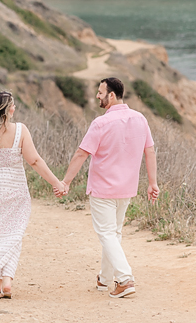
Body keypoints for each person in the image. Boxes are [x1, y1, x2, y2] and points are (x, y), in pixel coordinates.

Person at [57, 77, 159, 299]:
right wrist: (153, 183)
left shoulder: (101, 123)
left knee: (106, 234)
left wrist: (66, 182)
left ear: (111, 95)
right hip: (127, 188)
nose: (97, 96)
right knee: (113, 233)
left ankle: (125, 279)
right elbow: (149, 151)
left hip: (103, 189)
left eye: (100, 92)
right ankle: (104, 279)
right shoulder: (140, 119)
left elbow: (81, 153)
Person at [0, 91, 66, 298]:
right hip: (14, 189)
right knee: (12, 234)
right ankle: (6, 280)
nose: (15, 109)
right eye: (13, 105)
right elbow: (35, 161)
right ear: (8, 110)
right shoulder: (20, 130)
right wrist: (57, 183)